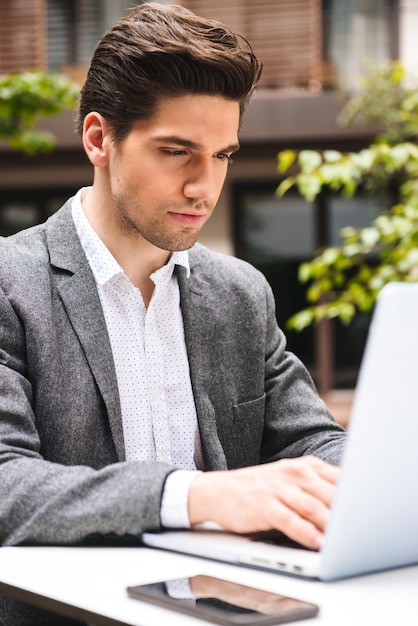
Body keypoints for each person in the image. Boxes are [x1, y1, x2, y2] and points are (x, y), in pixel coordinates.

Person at [0, 3, 345, 623]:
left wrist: (374, 486)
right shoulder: (9, 284)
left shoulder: (241, 293)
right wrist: (199, 495)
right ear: (99, 139)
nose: (203, 187)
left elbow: (312, 440)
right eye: (177, 151)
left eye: (222, 156)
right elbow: (6, 489)